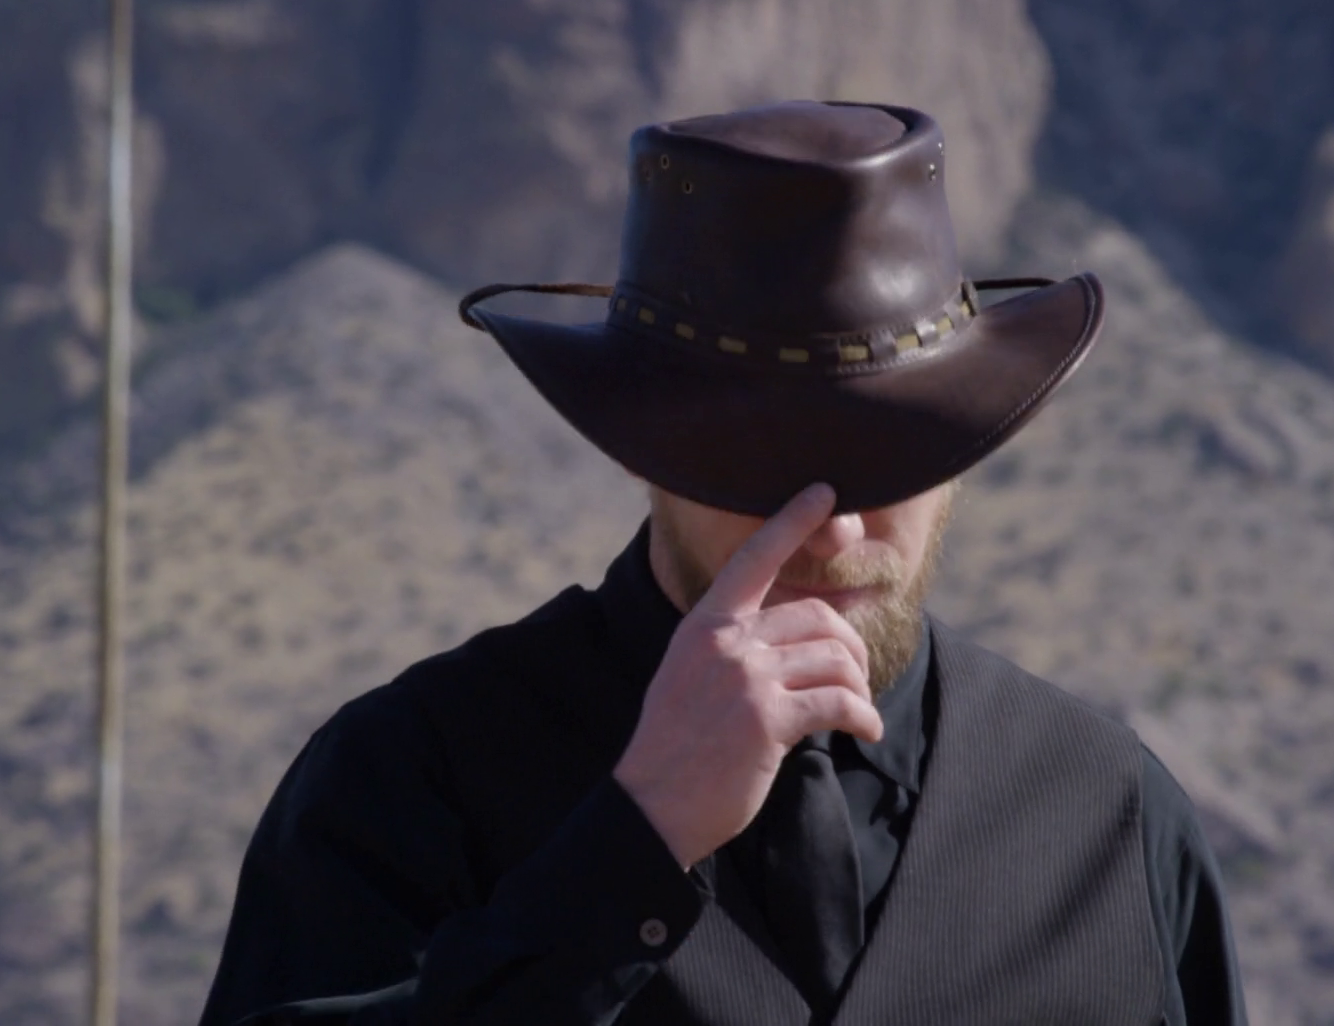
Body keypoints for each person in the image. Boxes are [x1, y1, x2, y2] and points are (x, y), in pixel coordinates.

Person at [198, 101, 1246, 1025]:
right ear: (643, 448)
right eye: (763, 467)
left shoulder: (1109, 813)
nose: (833, 532)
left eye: (894, 460)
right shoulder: (410, 779)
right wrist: (634, 845)